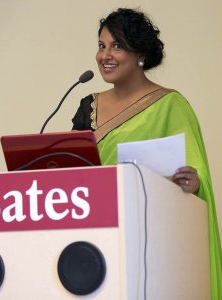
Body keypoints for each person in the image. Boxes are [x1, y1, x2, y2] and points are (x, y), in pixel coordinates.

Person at [72, 8, 221, 299]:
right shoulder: (87, 106)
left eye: (117, 46)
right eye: (102, 46)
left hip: (150, 236)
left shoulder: (170, 104)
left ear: (140, 53)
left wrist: (194, 181)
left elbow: (195, 169)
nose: (105, 56)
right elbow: (75, 167)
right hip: (94, 234)